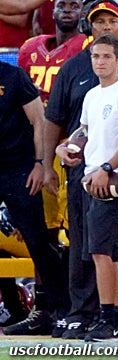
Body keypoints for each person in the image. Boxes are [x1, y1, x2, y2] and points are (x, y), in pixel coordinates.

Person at [44, 0, 118, 340]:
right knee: (90, 247)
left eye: (112, 21)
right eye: (99, 22)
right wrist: (60, 148)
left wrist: (110, 166)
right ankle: (93, 313)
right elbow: (76, 126)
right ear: (89, 29)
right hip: (87, 174)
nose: (105, 27)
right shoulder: (86, 84)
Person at [56, 34, 118, 342]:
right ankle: (115, 317)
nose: (100, 62)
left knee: (101, 251)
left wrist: (107, 168)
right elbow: (85, 130)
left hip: (115, 176)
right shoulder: (92, 95)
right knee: (109, 252)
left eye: (106, 56)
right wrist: (66, 146)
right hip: (92, 175)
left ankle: (109, 318)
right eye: (95, 56)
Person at [9, 0, 85, 337]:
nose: (68, 9)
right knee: (43, 233)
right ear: (50, 12)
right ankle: (44, 307)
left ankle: (77, 307)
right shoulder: (29, 50)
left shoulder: (88, 48)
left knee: (76, 233)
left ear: (83, 12)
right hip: (37, 152)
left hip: (74, 147)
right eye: (63, 4)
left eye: (75, 4)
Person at [0, 61, 71, 337]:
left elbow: (39, 119)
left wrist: (41, 163)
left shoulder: (13, 75)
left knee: (38, 240)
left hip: (19, 167)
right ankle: (18, 307)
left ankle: (59, 310)